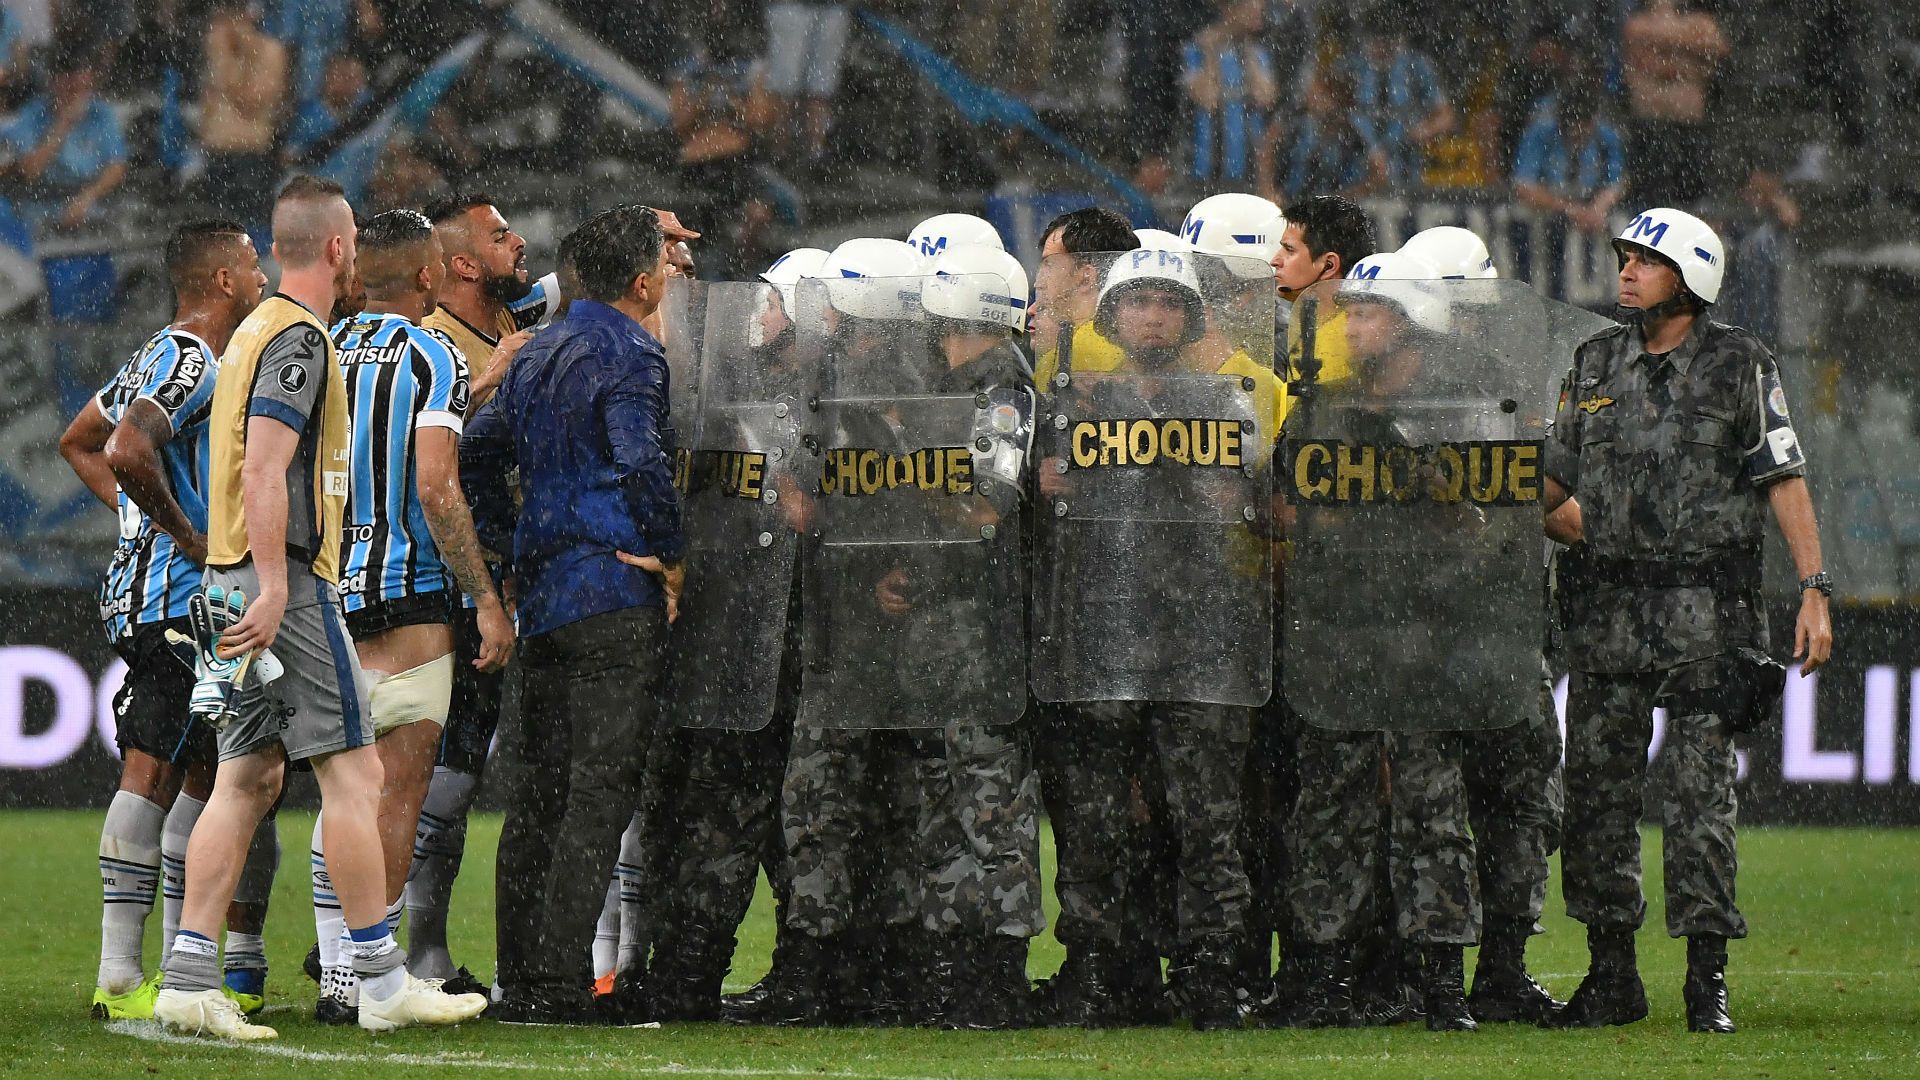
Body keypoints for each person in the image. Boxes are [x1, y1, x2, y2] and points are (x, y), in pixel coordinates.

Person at [152, 175, 487, 1040]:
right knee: (357, 775)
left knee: (247, 779)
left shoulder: (251, 331)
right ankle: (378, 979)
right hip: (283, 584)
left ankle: (188, 976)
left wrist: (240, 576)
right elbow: (266, 467)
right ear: (338, 248)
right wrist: (274, 585)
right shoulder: (300, 339)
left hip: (224, 579)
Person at [1542, 206, 1833, 1033]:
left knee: (1702, 799)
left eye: (1646, 259)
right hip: (1605, 610)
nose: (1626, 270)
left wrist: (1814, 587)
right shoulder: (1593, 361)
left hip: (1711, 614)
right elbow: (1550, 485)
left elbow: (1784, 476)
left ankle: (1707, 977)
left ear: (1692, 278)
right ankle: (1611, 974)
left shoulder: (1743, 362)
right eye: (1625, 256)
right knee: (1596, 795)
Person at [462, 204, 685, 1026]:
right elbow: (639, 460)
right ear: (640, 283)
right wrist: (669, 551)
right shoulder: (632, 351)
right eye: (660, 265)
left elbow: (476, 454)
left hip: (544, 595)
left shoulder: (532, 350)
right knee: (598, 793)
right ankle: (560, 985)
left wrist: (501, 552)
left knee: (537, 799)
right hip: (612, 594)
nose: (667, 276)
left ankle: (518, 978)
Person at [58, 220, 270, 1021]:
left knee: (204, 773)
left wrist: (139, 521)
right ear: (221, 281)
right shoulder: (192, 360)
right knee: (154, 767)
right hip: (176, 597)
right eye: (252, 264)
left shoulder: (156, 352)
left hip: (157, 592)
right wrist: (186, 535)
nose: (261, 275)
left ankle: (182, 965)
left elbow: (78, 440)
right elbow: (122, 450)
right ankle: (120, 978)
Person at [308, 210, 515, 1024]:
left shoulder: (321, 347)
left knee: (343, 786)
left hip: (327, 588)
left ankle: (335, 974)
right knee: (396, 791)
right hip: (408, 591)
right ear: (430, 278)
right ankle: (377, 977)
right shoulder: (429, 352)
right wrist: (487, 599)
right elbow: (435, 486)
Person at [1270, 251, 1480, 1033]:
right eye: (1350, 312)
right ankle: (1324, 980)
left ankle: (1441, 982)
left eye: (1370, 313)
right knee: (1331, 810)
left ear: (1415, 321)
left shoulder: (1461, 410)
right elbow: (1280, 516)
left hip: (1428, 635)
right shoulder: (1318, 410)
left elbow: (1486, 530)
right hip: (1341, 635)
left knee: (1433, 810)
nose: (1352, 327)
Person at [400, 193, 551, 990]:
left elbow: (571, 288)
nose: (519, 240)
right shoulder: (430, 345)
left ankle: (408, 950)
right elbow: (420, 467)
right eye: (500, 236)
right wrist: (494, 380)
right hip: (448, 577)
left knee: (459, 769)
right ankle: (398, 949)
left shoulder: (511, 323)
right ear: (461, 265)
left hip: (511, 571)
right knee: (435, 769)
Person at [1620, 0, 1727, 205]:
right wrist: (1688, 57)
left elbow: (1718, 47)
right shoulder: (1637, 24)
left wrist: (1663, 43)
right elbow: (1648, 61)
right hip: (1649, 126)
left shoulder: (1702, 22)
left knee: (1692, 199)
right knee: (1648, 198)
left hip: (1689, 126)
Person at [1339, 7, 1455, 190]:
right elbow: (1323, 99)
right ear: (1367, 41)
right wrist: (1368, 145)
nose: (1383, 49)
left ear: (1399, 40)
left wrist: (1424, 130)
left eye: (1390, 43)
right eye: (1377, 43)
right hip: (1358, 156)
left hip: (1405, 158)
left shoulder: (1416, 67)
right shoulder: (1353, 65)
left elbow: (1446, 116)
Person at [199, 1, 288, 230]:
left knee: (250, 233)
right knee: (216, 234)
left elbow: (250, 102)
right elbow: (207, 110)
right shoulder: (217, 53)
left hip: (250, 158)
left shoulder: (271, 51)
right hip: (216, 156)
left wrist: (230, 58)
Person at [1029, 207, 1139, 388]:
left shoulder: (1070, 358)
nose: (1038, 283)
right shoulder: (1134, 342)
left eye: (1049, 264)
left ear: (1086, 277)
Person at [1513, 79, 1627, 237]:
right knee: (1517, 217)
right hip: (1549, 208)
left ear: (1593, 122)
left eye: (1584, 126)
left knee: (1620, 224)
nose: (1578, 133)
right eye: (1572, 126)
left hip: (1591, 204)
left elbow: (1617, 184)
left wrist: (1598, 207)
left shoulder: (1606, 138)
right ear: (1561, 122)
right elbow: (1524, 186)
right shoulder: (1540, 135)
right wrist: (1568, 208)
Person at [1182, 0, 1278, 187]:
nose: (1258, 11)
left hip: (1247, 170)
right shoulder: (1198, 49)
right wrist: (1211, 54)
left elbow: (1265, 98)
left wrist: (1247, 51)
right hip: (1207, 168)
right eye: (1251, 6)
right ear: (1230, 9)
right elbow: (1206, 99)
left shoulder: (1257, 53)